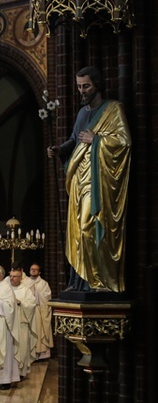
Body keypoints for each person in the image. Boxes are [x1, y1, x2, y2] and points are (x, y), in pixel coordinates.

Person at [47, 66, 131, 292]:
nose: (82, 91)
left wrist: (98, 140)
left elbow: (124, 143)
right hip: (79, 179)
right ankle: (79, 282)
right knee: (77, 231)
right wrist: (59, 149)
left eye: (86, 86)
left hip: (99, 181)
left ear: (97, 85)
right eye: (79, 86)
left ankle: (97, 280)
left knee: (88, 227)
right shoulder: (82, 113)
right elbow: (75, 140)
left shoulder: (113, 109)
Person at [9, 269, 37, 378]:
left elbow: (32, 305)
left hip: (21, 324)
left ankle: (20, 372)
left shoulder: (25, 290)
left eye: (15, 276)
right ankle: (10, 373)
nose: (12, 278)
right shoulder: (7, 289)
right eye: (10, 276)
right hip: (9, 325)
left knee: (21, 348)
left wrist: (20, 302)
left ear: (20, 278)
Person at [28, 263, 53, 360]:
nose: (33, 270)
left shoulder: (43, 283)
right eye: (31, 269)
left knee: (38, 331)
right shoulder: (26, 282)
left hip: (38, 310)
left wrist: (36, 294)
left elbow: (47, 297)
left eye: (35, 269)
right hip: (28, 311)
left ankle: (41, 353)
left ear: (39, 272)